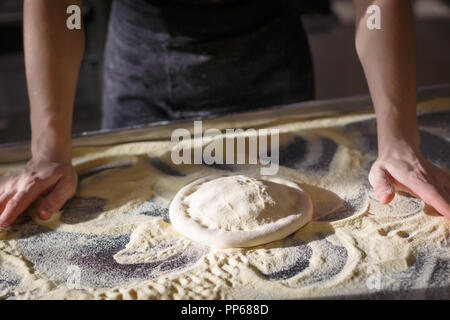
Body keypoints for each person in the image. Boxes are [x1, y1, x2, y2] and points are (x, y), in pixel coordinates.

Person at [0, 0, 448, 232]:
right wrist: (48, 147)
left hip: (271, 64)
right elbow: (63, 7)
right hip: (144, 67)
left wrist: (398, 140)